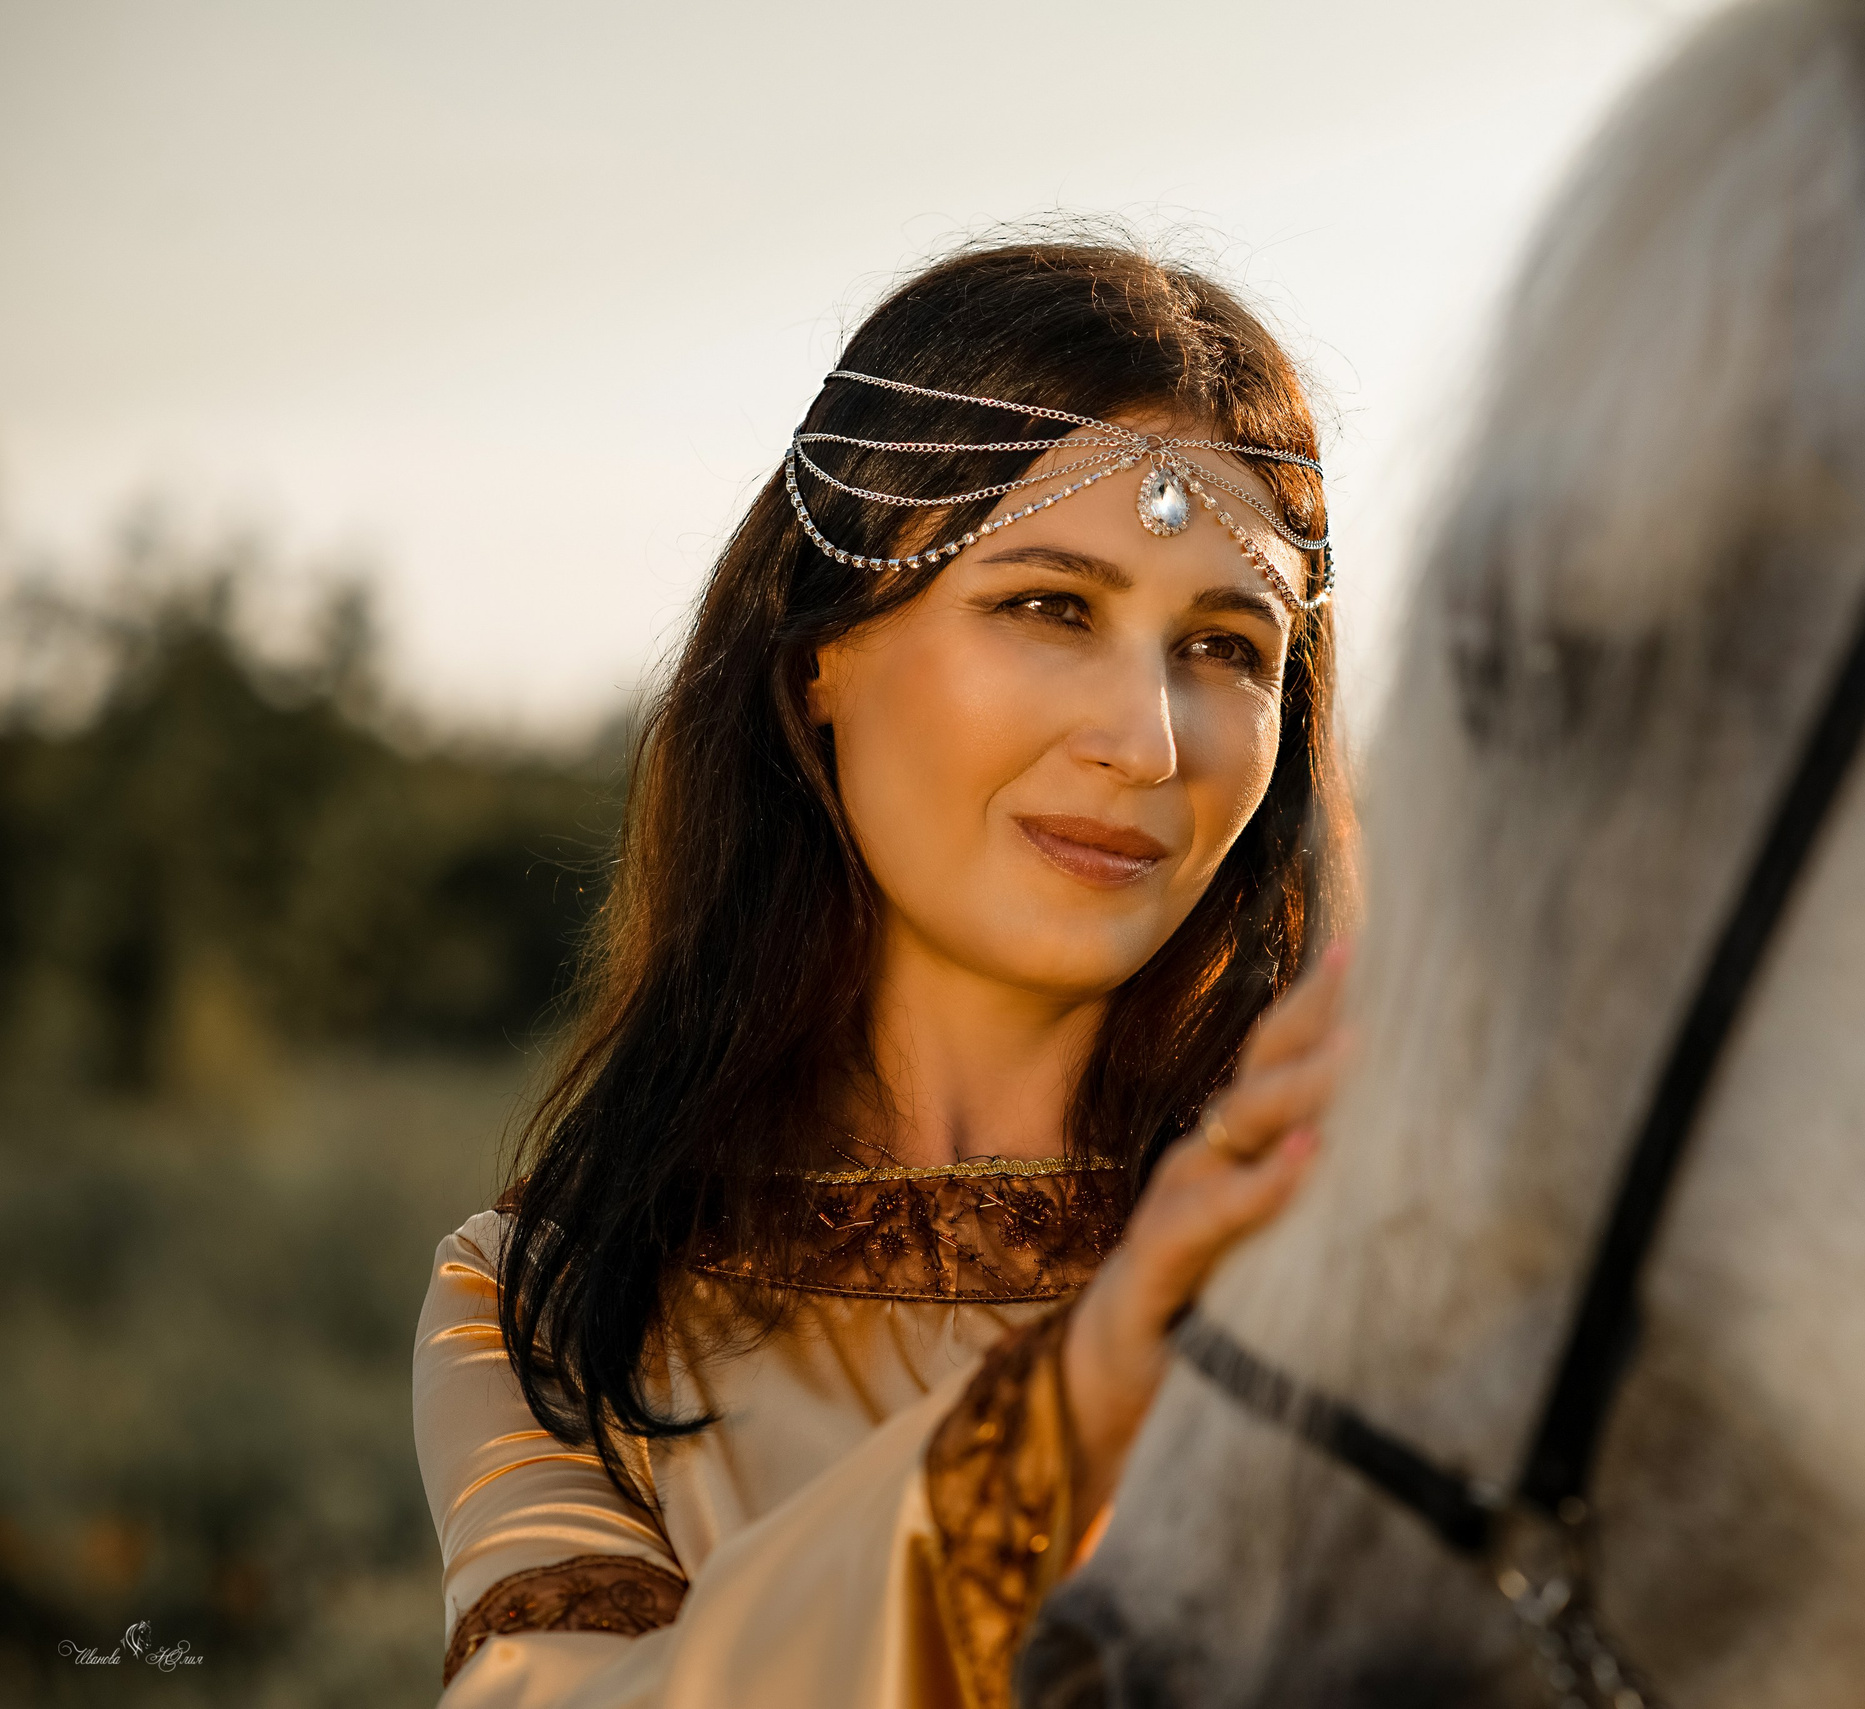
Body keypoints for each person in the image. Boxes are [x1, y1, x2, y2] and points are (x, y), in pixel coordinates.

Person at [411, 239, 1354, 1709]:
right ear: (819, 664)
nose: (1149, 744)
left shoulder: (1370, 1255)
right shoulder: (554, 1300)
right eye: (1052, 606)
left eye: (1228, 647)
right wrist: (1071, 1409)